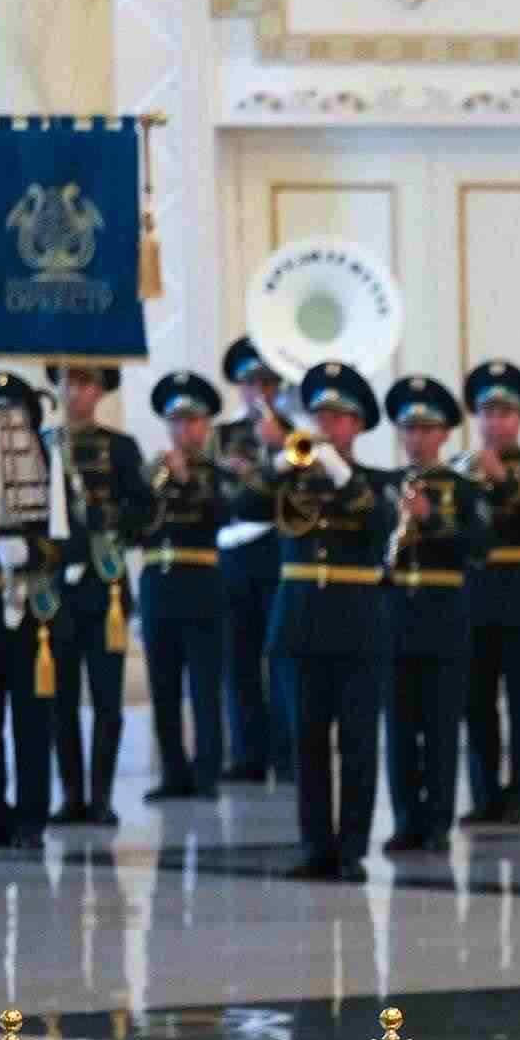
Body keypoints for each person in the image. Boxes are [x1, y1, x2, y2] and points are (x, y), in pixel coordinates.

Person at [228, 363, 395, 881]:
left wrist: (340, 472)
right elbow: (243, 504)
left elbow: (382, 524)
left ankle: (352, 850)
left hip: (358, 624)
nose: (327, 425)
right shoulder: (290, 481)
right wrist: (281, 460)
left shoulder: (375, 482)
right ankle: (315, 847)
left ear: (358, 426)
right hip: (299, 624)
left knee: (358, 743)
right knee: (307, 741)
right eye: (320, 416)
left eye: (338, 417)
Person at [377, 376, 492, 854]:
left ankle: (439, 821)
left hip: (444, 617)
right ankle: (406, 820)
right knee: (399, 729)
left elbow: (480, 545)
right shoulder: (384, 487)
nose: (418, 438)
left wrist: (432, 519)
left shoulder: (464, 489)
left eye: (427, 429)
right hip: (395, 616)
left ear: (444, 434)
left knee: (442, 726)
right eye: (410, 429)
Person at [42, 363, 152, 827]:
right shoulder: (44, 444)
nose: (74, 392)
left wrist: (111, 519)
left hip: (105, 590)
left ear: (100, 391)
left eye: (85, 383)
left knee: (107, 698)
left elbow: (145, 511)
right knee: (60, 699)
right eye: (68, 382)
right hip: (55, 590)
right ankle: (71, 796)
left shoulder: (121, 448)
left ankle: (101, 796)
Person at [457, 360, 520, 826]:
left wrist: (503, 480)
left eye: (506, 414)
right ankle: (483, 795)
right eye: (488, 413)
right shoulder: (460, 470)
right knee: (476, 704)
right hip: (475, 599)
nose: (496, 423)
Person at [0, 371, 63, 850]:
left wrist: (33, 551)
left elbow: (68, 536)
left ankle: (32, 818)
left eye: (10, 414)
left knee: (32, 718)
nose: (0, 425)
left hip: (29, 608)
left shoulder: (48, 460)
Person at [138, 372, 232, 803]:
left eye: (192, 421)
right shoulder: (149, 472)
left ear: (206, 425)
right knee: (164, 686)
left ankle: (207, 772)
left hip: (201, 583)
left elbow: (222, 515)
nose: (184, 430)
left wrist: (187, 481)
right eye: (176, 421)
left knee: (204, 686)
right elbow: (133, 525)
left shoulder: (217, 474)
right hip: (158, 583)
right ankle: (172, 773)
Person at [212, 337, 290, 784]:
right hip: (234, 551)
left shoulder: (296, 434)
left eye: (268, 382)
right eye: (251, 383)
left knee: (281, 656)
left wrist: (276, 450)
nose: (260, 391)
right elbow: (219, 494)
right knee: (237, 658)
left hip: (278, 549)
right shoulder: (222, 436)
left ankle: (288, 753)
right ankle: (247, 755)